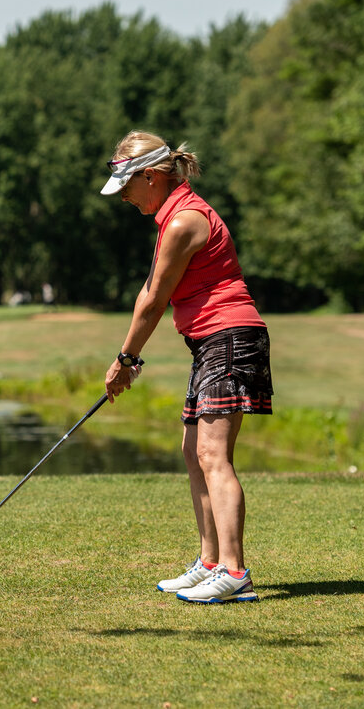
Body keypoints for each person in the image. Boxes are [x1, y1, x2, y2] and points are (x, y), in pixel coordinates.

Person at [100, 130, 273, 604]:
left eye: (129, 186)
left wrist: (125, 360)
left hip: (230, 336)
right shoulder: (172, 216)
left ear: (151, 177)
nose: (126, 199)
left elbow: (153, 298)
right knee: (193, 449)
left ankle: (235, 573)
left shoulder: (183, 222)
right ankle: (211, 562)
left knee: (214, 456)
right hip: (210, 341)